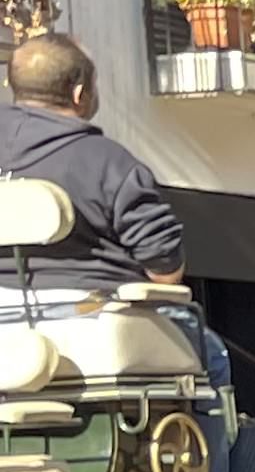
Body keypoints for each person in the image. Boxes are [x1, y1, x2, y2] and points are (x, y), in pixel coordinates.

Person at [0, 34, 185, 297]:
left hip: (6, 320)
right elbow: (165, 271)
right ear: (79, 94)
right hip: (97, 320)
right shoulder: (110, 163)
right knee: (206, 338)